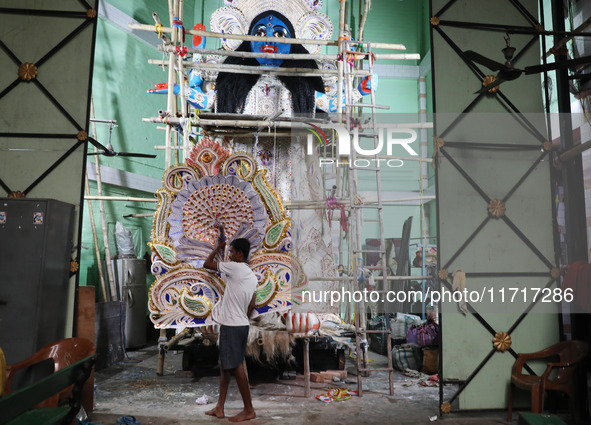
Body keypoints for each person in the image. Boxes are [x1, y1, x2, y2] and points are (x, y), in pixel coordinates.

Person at [204, 234, 258, 422]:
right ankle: (220, 407)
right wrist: (240, 314)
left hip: (232, 326)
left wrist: (218, 247)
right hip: (241, 324)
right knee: (225, 367)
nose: (229, 254)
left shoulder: (235, 268)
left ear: (240, 254)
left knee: (235, 366)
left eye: (232, 251)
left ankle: (249, 410)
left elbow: (207, 264)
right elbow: (252, 304)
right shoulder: (252, 276)